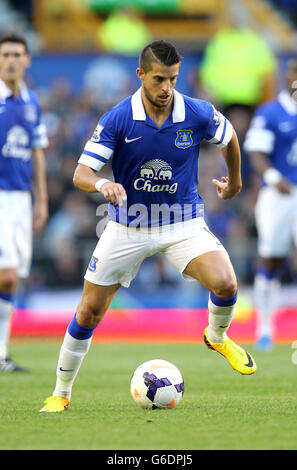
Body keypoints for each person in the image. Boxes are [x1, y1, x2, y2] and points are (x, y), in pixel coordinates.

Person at [40, 40, 256, 413]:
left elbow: (230, 136)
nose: (166, 88)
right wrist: (101, 184)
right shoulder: (118, 118)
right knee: (89, 311)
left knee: (226, 284)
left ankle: (217, 336)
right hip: (128, 226)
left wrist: (234, 182)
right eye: (158, 79)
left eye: (173, 79)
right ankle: (61, 393)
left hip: (182, 223)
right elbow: (80, 173)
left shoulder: (197, 112)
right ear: (141, 75)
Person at [244, 57, 297, 350]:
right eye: (295, 72)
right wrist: (273, 176)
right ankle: (264, 329)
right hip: (279, 195)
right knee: (272, 258)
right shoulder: (270, 113)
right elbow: (256, 152)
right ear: (287, 75)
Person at [0, 34, 48, 371]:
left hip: (20, 198)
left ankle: (1, 354)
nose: (12, 61)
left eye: (18, 54)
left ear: (28, 60)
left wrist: (41, 199)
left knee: (12, 279)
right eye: (5, 55)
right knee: (7, 273)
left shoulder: (31, 102)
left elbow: (37, 153)